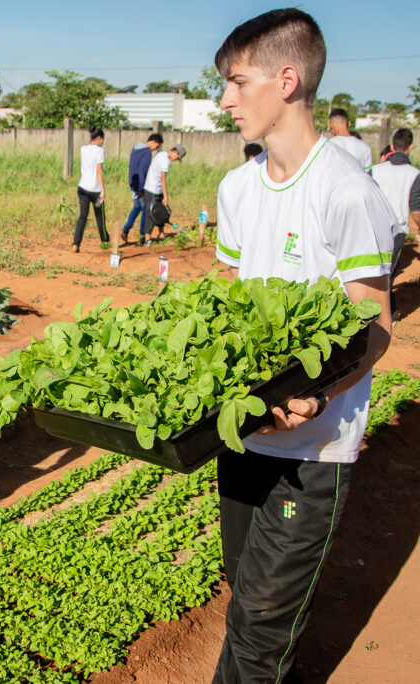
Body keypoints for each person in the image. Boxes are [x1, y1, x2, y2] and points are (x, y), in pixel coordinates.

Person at [212, 9, 396, 683]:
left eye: (236, 82)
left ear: (287, 79)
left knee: (261, 625)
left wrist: (316, 396)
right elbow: (223, 298)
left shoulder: (348, 193)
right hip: (242, 438)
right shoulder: (237, 188)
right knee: (246, 596)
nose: (224, 100)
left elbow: (374, 324)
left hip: (314, 450)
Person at [370, 127, 420, 315]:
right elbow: (415, 209)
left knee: (374, 271)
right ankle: (385, 314)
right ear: (410, 148)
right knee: (388, 273)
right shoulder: (414, 174)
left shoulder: (375, 170)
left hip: (374, 228)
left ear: (392, 146)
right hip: (397, 231)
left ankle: (379, 313)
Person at [121, 133, 163, 244]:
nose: (155, 149)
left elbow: (132, 167)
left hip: (132, 183)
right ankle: (143, 236)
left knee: (136, 207)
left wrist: (134, 186)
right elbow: (143, 171)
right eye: (157, 146)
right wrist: (141, 189)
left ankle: (125, 229)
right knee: (145, 209)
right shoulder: (147, 153)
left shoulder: (135, 148)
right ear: (153, 142)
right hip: (140, 186)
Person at [73, 125, 109, 252]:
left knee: (83, 216)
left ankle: (76, 244)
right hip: (95, 191)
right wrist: (103, 190)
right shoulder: (100, 151)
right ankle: (105, 242)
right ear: (99, 138)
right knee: (100, 217)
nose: (103, 142)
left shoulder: (83, 149)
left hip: (82, 188)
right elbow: (99, 171)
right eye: (103, 139)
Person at [142, 143, 187, 243]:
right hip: (152, 188)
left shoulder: (162, 154)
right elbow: (163, 178)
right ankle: (147, 239)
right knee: (152, 212)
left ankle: (161, 235)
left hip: (157, 189)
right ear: (176, 153)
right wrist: (166, 196)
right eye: (177, 158)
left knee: (161, 212)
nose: (176, 160)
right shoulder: (165, 160)